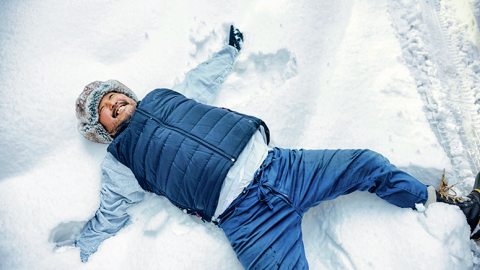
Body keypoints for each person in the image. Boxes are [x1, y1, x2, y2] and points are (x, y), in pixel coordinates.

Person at [70, 25, 480, 269]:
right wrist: (75, 253)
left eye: (113, 94)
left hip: (283, 167)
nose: (113, 102)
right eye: (104, 109)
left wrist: (229, 51)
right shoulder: (119, 161)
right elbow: (109, 212)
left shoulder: (164, 96)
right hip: (246, 220)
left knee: (365, 163)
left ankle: (448, 209)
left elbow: (202, 79)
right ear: (103, 129)